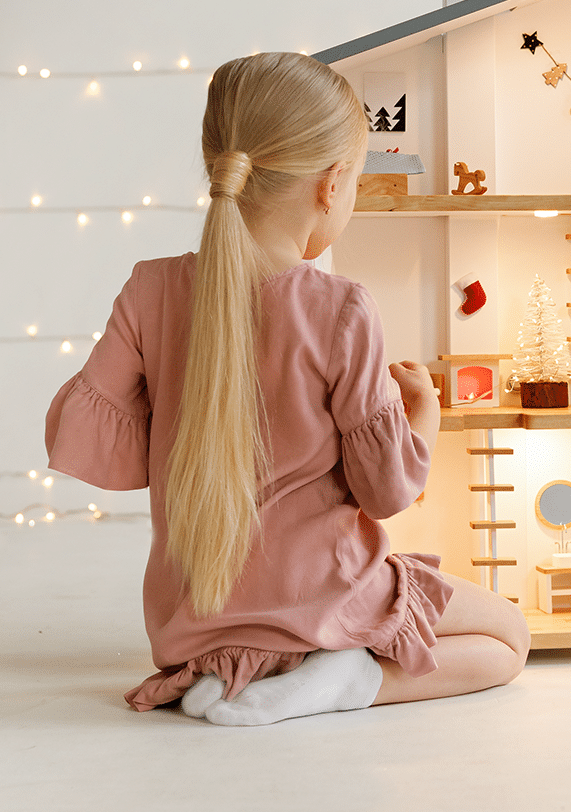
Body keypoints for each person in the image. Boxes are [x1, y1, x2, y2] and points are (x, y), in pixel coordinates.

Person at [44, 52, 530, 726]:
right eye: (357, 180)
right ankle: (347, 680)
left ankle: (235, 678)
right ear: (332, 185)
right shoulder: (343, 308)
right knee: (507, 639)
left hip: (190, 626)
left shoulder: (148, 289)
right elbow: (387, 493)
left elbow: (94, 442)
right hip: (326, 601)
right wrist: (424, 416)